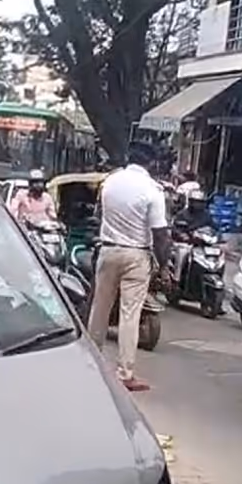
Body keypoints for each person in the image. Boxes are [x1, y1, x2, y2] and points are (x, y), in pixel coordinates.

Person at [87, 146, 173, 392]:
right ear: (151, 163)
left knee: (99, 309)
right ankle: (125, 373)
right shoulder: (152, 190)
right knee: (129, 315)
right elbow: (160, 234)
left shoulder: (110, 182)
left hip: (108, 249)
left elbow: (99, 215)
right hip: (136, 255)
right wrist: (164, 265)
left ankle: (91, 362)